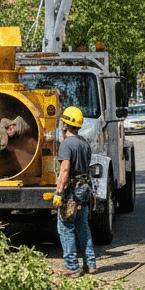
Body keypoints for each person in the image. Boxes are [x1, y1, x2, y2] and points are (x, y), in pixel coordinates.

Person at [54, 105, 97, 277]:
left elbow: (64, 170)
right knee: (83, 227)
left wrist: (58, 193)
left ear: (65, 126)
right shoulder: (84, 143)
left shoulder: (66, 144)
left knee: (65, 227)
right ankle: (90, 264)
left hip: (71, 191)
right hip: (85, 190)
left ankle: (72, 267)